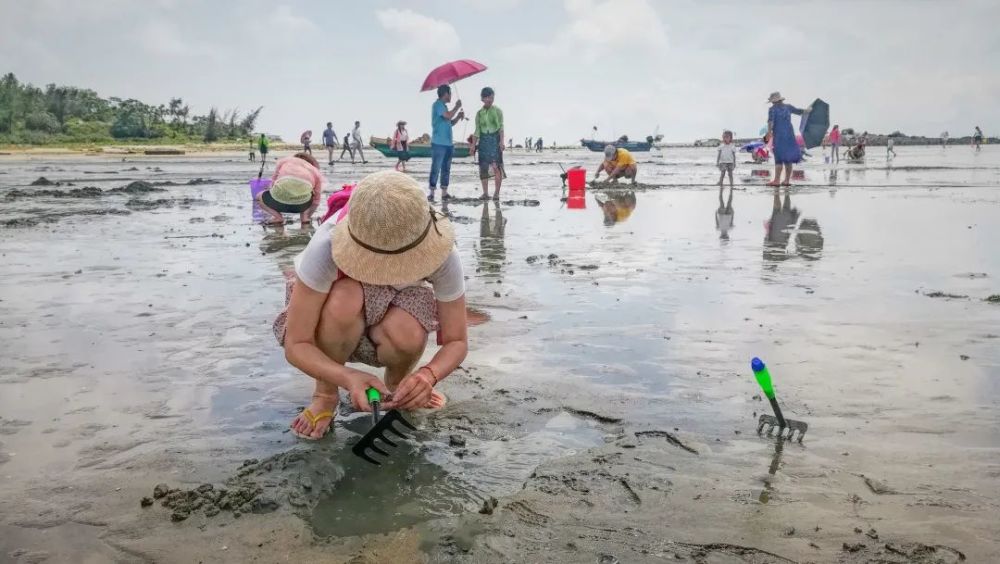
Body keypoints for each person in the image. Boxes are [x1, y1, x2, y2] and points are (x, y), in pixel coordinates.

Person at [278, 170, 468, 439]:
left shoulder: (443, 252)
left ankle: (401, 387)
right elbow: (297, 344)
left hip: (394, 316)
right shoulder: (326, 246)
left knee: (408, 331)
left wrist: (428, 375)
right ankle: (324, 394)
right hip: (340, 318)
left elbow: (457, 340)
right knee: (346, 297)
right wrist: (347, 378)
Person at [256, 152, 324, 226]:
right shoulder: (315, 172)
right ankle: (304, 217)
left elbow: (273, 182)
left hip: (278, 202)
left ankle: (277, 217)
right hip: (302, 205)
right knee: (310, 193)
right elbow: (316, 201)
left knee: (259, 196)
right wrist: (309, 215)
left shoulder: (285, 162)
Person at [428, 84, 464, 202]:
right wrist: (457, 107)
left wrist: (458, 116)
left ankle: (444, 193)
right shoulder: (437, 104)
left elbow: (450, 122)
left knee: (446, 168)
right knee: (436, 167)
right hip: (438, 143)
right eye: (450, 93)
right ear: (445, 94)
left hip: (448, 143)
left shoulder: (443, 106)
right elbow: (447, 116)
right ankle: (432, 192)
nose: (451, 96)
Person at [766, 91, 810, 187]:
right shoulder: (788, 107)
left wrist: (769, 133)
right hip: (790, 136)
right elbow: (800, 111)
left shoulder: (772, 109)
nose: (773, 103)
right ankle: (786, 180)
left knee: (778, 158)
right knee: (788, 159)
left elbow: (771, 122)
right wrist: (808, 110)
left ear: (774, 101)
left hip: (779, 136)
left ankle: (777, 180)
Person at [471, 87, 506, 201]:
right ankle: (485, 193)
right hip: (483, 142)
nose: (490, 99)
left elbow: (501, 127)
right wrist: (473, 146)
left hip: (494, 140)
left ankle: (496, 193)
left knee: (496, 167)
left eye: (492, 97)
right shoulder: (479, 113)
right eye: (488, 97)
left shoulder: (497, 111)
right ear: (482, 98)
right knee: (483, 168)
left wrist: (501, 142)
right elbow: (477, 131)